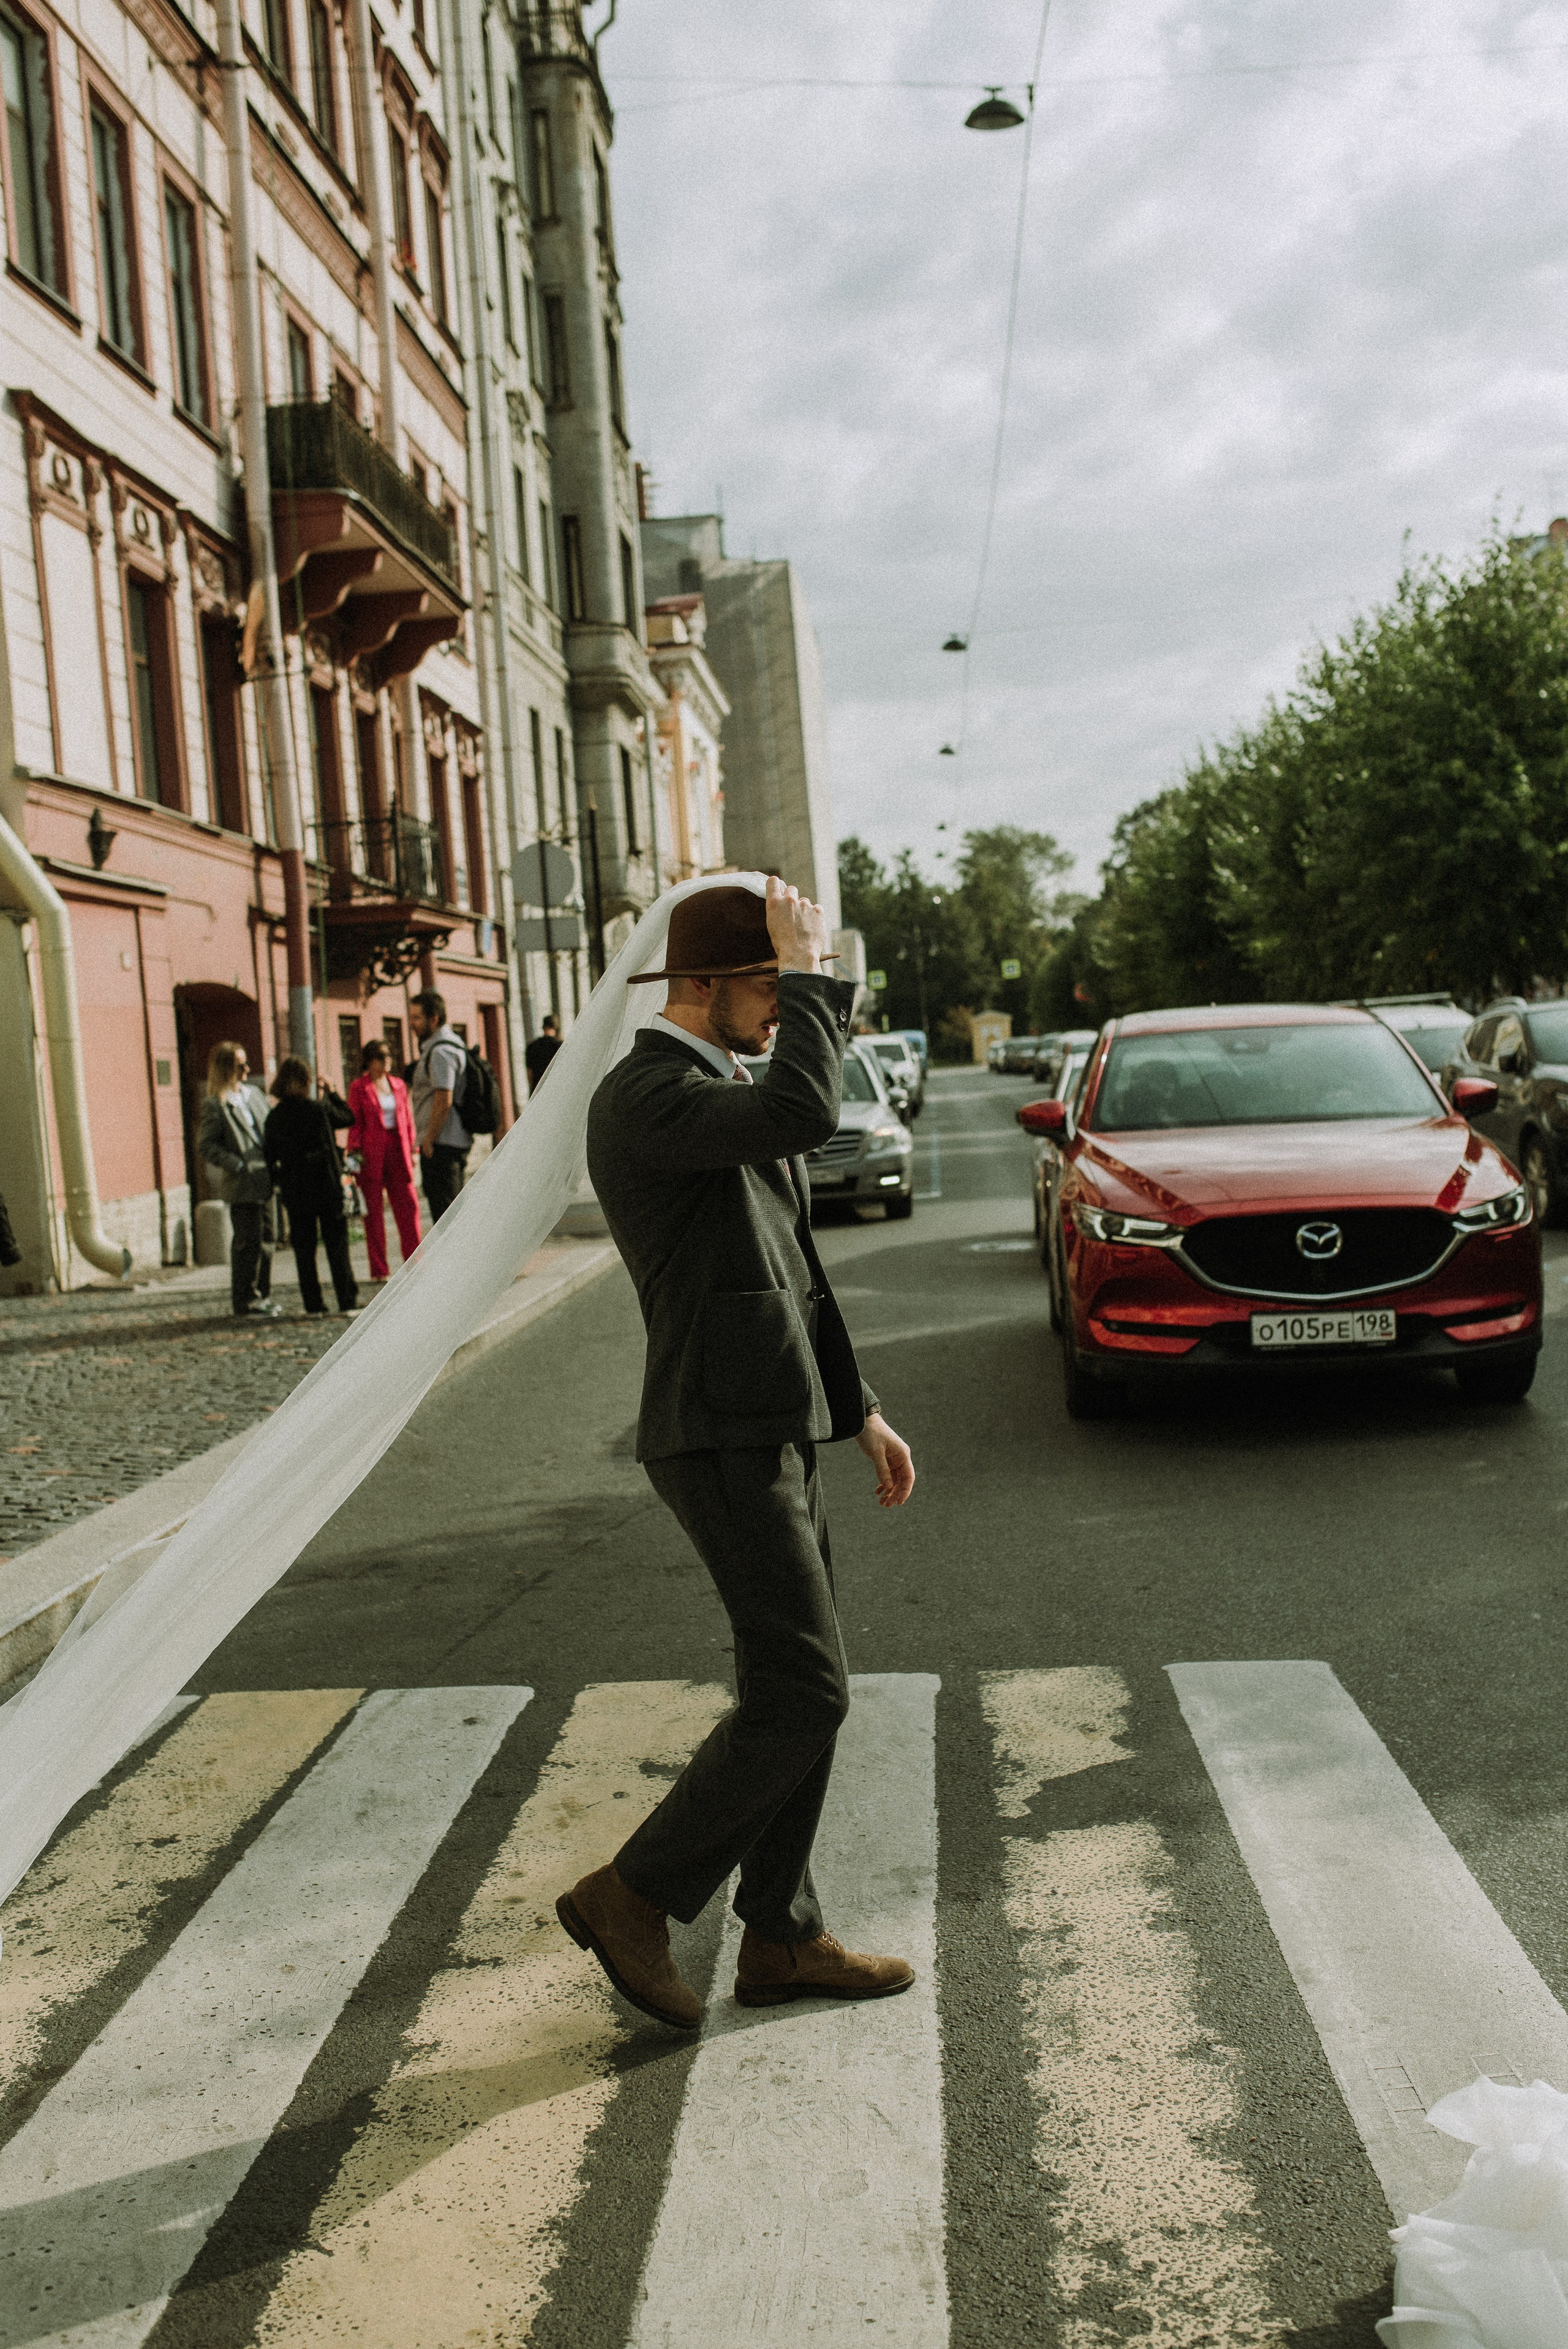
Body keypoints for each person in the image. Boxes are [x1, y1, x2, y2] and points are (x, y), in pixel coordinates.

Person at [557, 878, 918, 2031]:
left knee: (803, 1690)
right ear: (699, 984)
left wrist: (858, 1407)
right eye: (770, 985)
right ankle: (631, 1895)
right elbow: (807, 1109)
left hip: (774, 1417)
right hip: (713, 1426)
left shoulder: (721, 1090)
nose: (781, 1007)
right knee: (804, 1691)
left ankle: (782, 1936)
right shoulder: (645, 1096)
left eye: (785, 986)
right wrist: (815, 975)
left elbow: (792, 1268)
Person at [263, 1057, 360, 1317]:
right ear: (305, 1082)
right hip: (326, 1186)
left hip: (296, 1190)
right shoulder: (318, 1110)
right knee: (337, 1246)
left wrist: (280, 1182)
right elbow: (348, 1117)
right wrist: (332, 1093)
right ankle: (347, 1299)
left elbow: (270, 1156)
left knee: (304, 1251)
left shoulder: (275, 1117)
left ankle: (313, 1303)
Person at [198, 1042, 282, 1319]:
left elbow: (270, 1128)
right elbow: (206, 1145)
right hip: (243, 1182)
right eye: (239, 1065)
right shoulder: (217, 1104)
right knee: (248, 1242)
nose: (247, 1069)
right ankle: (245, 1299)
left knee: (268, 1239)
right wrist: (236, 1164)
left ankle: (262, 1295)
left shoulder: (253, 1095)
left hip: (265, 1178)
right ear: (226, 1069)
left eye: (246, 1064)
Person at [345, 1038, 421, 1281]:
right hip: (371, 1154)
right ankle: (379, 1270)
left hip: (398, 1150)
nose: (387, 1060)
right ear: (370, 1061)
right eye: (381, 1056)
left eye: (389, 1055)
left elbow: (407, 1120)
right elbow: (355, 1123)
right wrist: (354, 1154)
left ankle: (415, 1262)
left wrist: (413, 1149)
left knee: (408, 1206)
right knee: (374, 1213)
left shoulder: (398, 1085)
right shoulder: (359, 1087)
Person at [407, 989, 470, 1221]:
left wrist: (429, 1140)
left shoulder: (441, 1052)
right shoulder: (451, 1044)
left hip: (442, 1146)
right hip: (447, 1143)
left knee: (446, 1221)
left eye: (417, 1018)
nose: (412, 1024)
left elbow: (444, 1100)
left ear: (434, 1019)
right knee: (450, 1217)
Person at [524, 1014, 562, 1093]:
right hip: (556, 1089)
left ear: (543, 1028)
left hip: (538, 1090)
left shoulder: (532, 1047)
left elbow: (530, 1074)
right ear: (556, 1027)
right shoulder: (560, 1046)